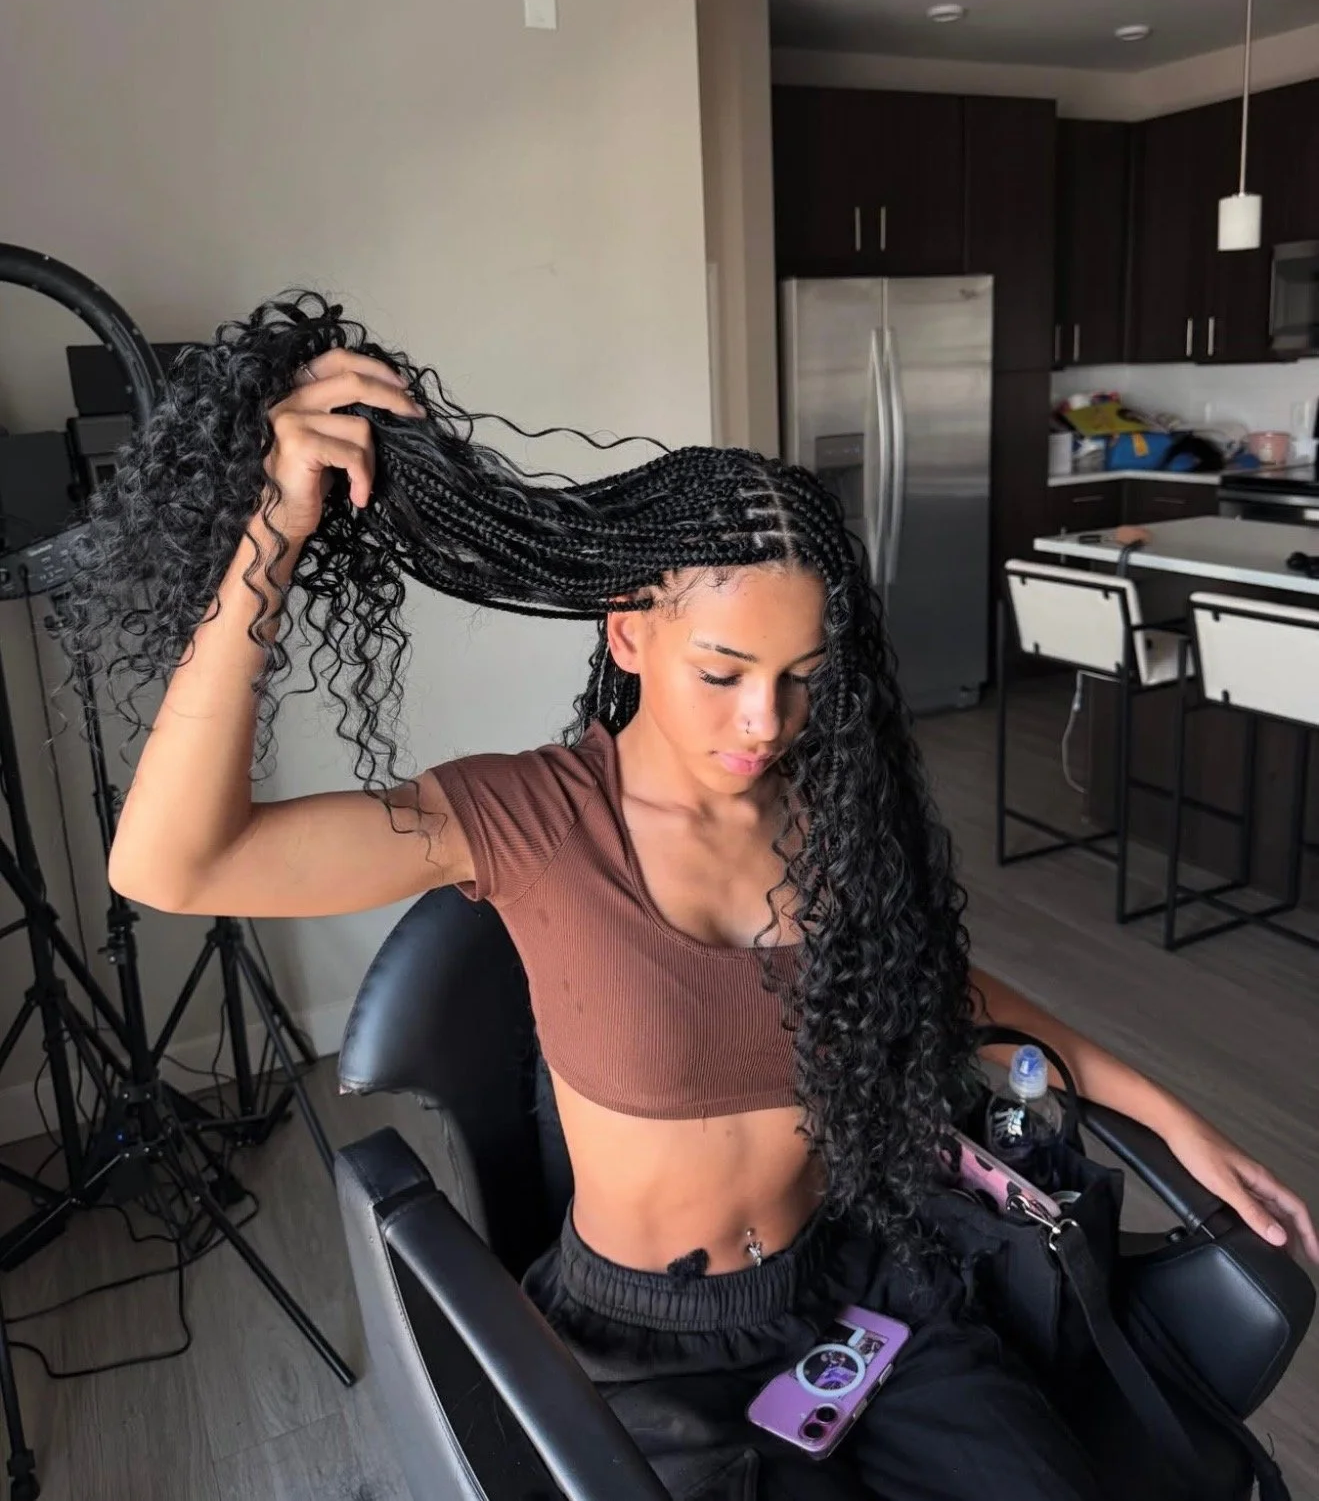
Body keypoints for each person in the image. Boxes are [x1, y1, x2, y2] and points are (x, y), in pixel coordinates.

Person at [74, 296, 1316, 1501]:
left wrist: (1173, 1115)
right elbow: (171, 866)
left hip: (852, 1293)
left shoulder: (826, 811)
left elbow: (939, 995)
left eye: (798, 677)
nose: (762, 723)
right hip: (642, 1346)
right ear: (627, 634)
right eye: (721, 672)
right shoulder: (526, 818)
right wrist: (271, 535)